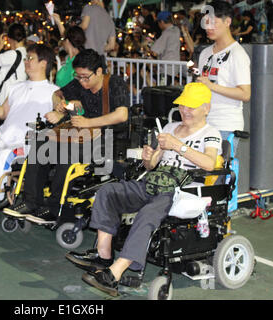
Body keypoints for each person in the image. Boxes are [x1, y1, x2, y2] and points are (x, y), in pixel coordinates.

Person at [66, 82, 222, 296]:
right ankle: (103, 257)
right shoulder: (169, 128)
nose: (185, 110)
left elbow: (209, 163)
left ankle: (115, 274)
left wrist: (178, 146)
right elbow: (151, 165)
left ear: (206, 108)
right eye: (183, 105)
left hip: (180, 190)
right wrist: (150, 158)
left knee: (147, 214)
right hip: (153, 181)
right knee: (107, 192)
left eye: (191, 106)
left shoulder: (210, 133)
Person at [3, 49, 129, 224]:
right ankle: (32, 202)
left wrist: (88, 123)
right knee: (41, 143)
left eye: (86, 77)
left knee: (66, 155)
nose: (82, 82)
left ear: (99, 71)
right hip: (81, 135)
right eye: (78, 77)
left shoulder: (115, 83)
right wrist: (59, 106)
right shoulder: (79, 84)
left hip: (107, 139)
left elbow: (122, 115)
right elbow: (57, 94)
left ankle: (54, 208)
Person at [0, 44, 59, 219]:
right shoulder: (16, 87)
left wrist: (57, 112)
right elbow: (3, 113)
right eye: (26, 58)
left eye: (30, 58)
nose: (26, 62)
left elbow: (60, 113)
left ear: (43, 63)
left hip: (26, 143)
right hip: (5, 135)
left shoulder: (53, 92)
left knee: (4, 155)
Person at [197, 0, 251, 155]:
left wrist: (211, 86)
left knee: (220, 173)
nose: (208, 27)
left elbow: (245, 94)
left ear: (228, 22)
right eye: (206, 22)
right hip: (203, 123)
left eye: (213, 22)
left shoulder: (238, 54)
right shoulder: (205, 53)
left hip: (226, 124)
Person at [0, 23, 27, 134]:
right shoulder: (28, 54)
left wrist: (0, 46)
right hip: (21, 100)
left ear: (10, 39)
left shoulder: (11, 55)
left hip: (6, 102)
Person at [145, 11, 181, 85]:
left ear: (161, 22)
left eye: (158, 23)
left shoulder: (167, 33)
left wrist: (147, 44)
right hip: (175, 68)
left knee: (162, 90)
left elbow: (155, 52)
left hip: (166, 69)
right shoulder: (177, 30)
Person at [51, 13, 86, 87]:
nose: (62, 42)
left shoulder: (78, 62)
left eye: (63, 40)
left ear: (67, 41)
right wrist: (58, 22)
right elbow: (65, 35)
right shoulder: (72, 59)